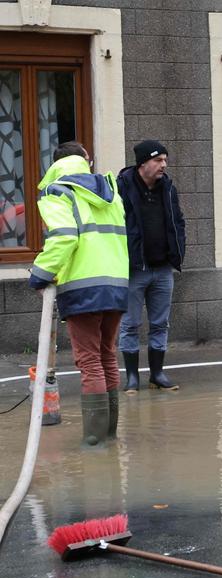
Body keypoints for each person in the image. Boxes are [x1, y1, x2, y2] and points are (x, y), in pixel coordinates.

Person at [28, 142, 129, 446]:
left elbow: (64, 236)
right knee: (107, 356)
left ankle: (94, 441)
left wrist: (40, 274)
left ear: (56, 163)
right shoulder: (110, 193)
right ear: (87, 161)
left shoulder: (57, 191)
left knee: (89, 361)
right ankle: (109, 436)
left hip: (83, 285)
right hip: (116, 283)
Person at [117, 140, 185, 393]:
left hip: (163, 268)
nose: (163, 165)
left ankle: (157, 374)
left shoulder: (167, 187)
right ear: (143, 162)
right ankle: (132, 377)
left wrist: (178, 251)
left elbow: (178, 220)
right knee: (130, 324)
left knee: (160, 323)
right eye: (158, 160)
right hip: (134, 270)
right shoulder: (121, 188)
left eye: (165, 160)